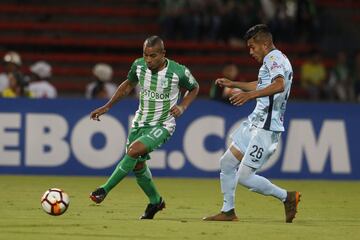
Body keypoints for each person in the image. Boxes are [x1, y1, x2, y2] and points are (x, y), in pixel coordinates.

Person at [89, 36, 199, 219]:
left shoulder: (178, 71)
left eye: (153, 55)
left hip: (163, 124)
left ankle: (104, 189)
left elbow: (194, 88)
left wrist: (182, 106)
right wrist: (107, 106)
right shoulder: (138, 66)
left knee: (134, 151)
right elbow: (127, 86)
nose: (148, 60)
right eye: (145, 55)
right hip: (139, 123)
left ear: (163, 54)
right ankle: (156, 201)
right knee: (138, 165)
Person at [203, 24, 300, 223]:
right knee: (227, 162)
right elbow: (262, 84)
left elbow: (279, 85)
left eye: (252, 46)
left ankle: (287, 197)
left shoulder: (273, 59)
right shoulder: (276, 60)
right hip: (255, 123)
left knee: (245, 177)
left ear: (265, 44)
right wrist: (234, 84)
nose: (250, 51)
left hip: (266, 127)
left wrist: (249, 96)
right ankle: (228, 211)